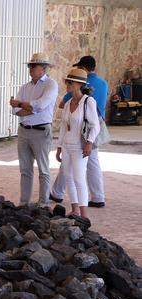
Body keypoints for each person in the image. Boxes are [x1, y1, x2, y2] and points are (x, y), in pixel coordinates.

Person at [50, 55, 109, 207]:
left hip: (80, 128)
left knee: (72, 166)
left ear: (83, 68)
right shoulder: (103, 83)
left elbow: (63, 105)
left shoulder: (80, 86)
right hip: (97, 123)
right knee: (92, 162)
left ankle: (58, 193)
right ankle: (97, 196)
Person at [9, 53, 58, 206]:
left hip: (41, 131)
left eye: (33, 66)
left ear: (43, 68)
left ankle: (44, 203)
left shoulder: (51, 84)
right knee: (25, 169)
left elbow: (41, 104)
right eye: (30, 66)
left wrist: (21, 104)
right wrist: (31, 107)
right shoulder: (25, 87)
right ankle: (24, 203)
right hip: (24, 130)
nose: (30, 68)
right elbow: (14, 110)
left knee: (43, 169)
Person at [56, 68, 100, 221]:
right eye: (67, 82)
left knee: (79, 179)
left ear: (79, 84)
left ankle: (84, 216)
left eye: (71, 82)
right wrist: (59, 147)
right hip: (67, 145)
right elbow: (63, 126)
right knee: (68, 177)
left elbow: (95, 125)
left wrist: (89, 143)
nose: (68, 84)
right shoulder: (68, 103)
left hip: (80, 146)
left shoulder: (88, 102)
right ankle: (75, 210)